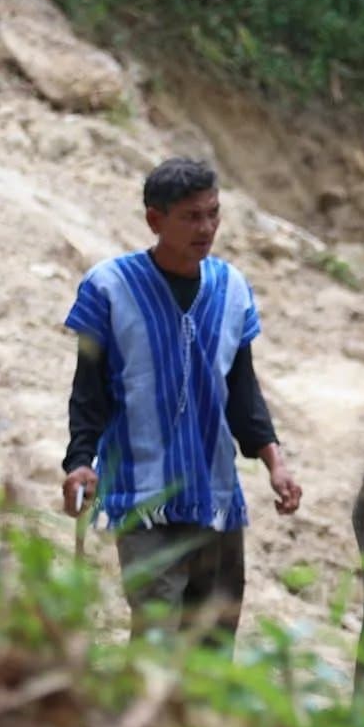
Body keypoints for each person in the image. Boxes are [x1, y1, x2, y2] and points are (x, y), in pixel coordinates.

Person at [59, 156, 303, 641]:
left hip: (216, 496)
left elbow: (242, 391)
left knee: (212, 645)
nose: (206, 228)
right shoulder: (109, 287)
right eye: (191, 217)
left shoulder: (232, 289)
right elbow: (89, 390)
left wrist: (275, 463)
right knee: (157, 642)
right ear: (155, 219)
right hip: (143, 496)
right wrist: (79, 460)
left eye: (213, 214)